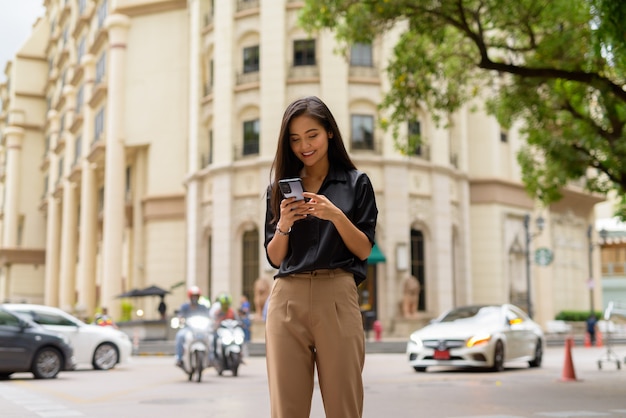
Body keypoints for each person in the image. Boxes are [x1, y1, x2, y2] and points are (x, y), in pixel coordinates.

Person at [264, 96, 378, 418]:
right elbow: (274, 258)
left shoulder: (357, 184)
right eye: (295, 139)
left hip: (337, 296)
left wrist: (335, 215)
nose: (304, 146)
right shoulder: (279, 189)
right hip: (287, 299)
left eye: (312, 135)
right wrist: (284, 224)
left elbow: (364, 248)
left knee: (345, 407)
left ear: (329, 132)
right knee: (287, 410)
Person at [174, 285, 210, 367]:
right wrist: (180, 319)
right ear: (190, 296)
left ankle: (210, 358)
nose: (194, 298)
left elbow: (208, 317)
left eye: (196, 296)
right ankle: (179, 359)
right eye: (193, 296)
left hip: (201, 329)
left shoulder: (202, 307)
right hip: (188, 329)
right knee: (180, 336)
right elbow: (180, 315)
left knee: (210, 338)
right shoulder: (185, 306)